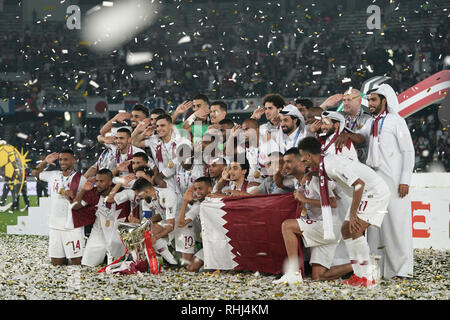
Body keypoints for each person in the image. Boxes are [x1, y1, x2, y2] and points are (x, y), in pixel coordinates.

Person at [341, 85, 415, 279]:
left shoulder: (396, 121)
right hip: (375, 181)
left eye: (374, 100)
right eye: (369, 100)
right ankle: (380, 269)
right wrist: (347, 135)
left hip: (395, 180)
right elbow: (360, 137)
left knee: (397, 225)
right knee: (375, 226)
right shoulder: (372, 123)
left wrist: (405, 180)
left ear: (385, 101)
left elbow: (408, 151)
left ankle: (402, 269)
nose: (370, 104)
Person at [298, 137, 390, 287]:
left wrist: (353, 214)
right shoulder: (324, 163)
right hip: (366, 191)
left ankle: (367, 275)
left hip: (373, 191)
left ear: (308, 156)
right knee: (346, 230)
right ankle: (359, 274)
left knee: (355, 229)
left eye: (302, 157)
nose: (302, 161)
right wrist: (311, 175)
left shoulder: (330, 164)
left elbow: (359, 185)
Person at [274, 147, 351, 284]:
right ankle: (364, 264)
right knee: (318, 275)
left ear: (301, 163)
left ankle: (294, 273)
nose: (285, 165)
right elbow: (280, 182)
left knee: (287, 226)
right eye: (284, 162)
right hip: (321, 228)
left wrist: (305, 200)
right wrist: (279, 169)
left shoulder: (316, 179)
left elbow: (333, 202)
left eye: (288, 162)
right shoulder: (297, 181)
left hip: (328, 226)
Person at [31, 150, 87, 266]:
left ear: (73, 160)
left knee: (77, 262)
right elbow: (35, 173)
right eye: (60, 159)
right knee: (57, 263)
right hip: (55, 225)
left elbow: (85, 202)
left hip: (72, 226)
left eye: (66, 159)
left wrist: (74, 197)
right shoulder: (53, 175)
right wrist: (45, 161)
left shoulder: (80, 179)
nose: (62, 162)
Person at [72, 169, 131, 267]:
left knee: (118, 267)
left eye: (101, 181)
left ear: (110, 182)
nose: (98, 184)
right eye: (97, 181)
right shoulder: (93, 193)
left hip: (117, 231)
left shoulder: (121, 192)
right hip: (99, 231)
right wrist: (83, 190)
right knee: (87, 264)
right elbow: (75, 206)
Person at [131, 177, 178, 265]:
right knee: (147, 230)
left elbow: (171, 225)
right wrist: (139, 222)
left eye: (139, 195)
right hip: (168, 221)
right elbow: (147, 221)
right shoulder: (145, 201)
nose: (138, 198)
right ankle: (170, 261)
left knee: (152, 233)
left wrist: (156, 237)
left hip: (182, 223)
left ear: (147, 191)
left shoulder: (168, 194)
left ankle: (169, 259)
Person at [176, 177, 213, 272]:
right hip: (210, 245)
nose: (197, 192)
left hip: (222, 244)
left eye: (200, 188)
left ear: (209, 189)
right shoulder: (197, 206)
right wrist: (185, 201)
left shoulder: (217, 202)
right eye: (195, 189)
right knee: (191, 267)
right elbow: (180, 224)